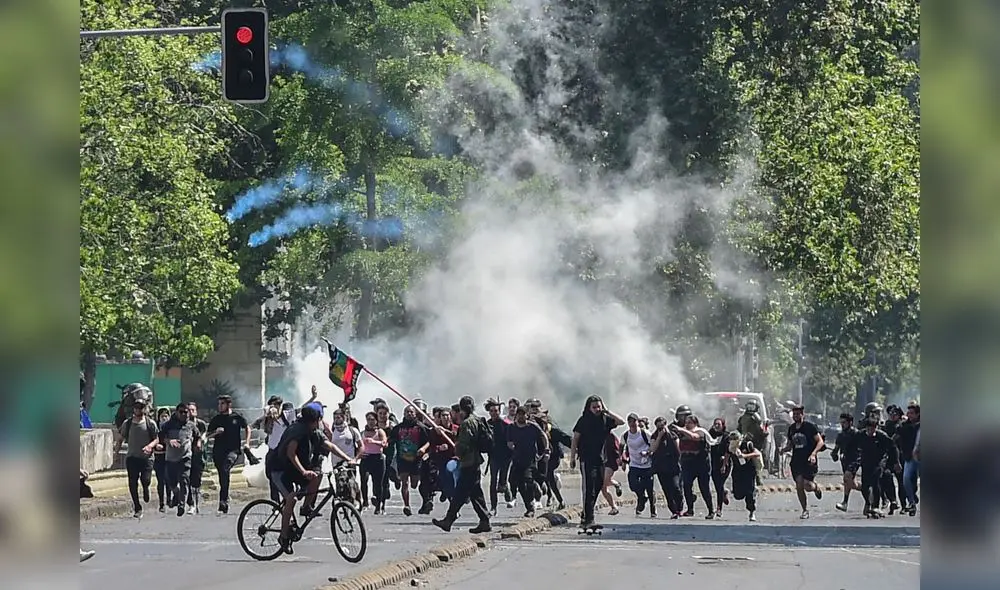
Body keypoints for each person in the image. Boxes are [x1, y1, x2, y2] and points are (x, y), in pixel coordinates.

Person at [267, 404, 356, 555]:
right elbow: (290, 453)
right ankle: (283, 537)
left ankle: (307, 507)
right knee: (292, 499)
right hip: (279, 469)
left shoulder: (314, 430)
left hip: (294, 469)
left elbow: (329, 446)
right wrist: (304, 471)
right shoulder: (297, 430)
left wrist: (349, 459)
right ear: (316, 419)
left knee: (318, 475)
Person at [432, 396, 492, 533]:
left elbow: (464, 444)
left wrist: (457, 449)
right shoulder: (477, 419)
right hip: (474, 461)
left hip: (469, 462)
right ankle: (484, 520)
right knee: (475, 494)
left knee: (460, 493)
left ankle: (449, 520)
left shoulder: (466, 423)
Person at [570, 395, 624, 528]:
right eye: (594, 407)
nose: (597, 409)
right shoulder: (583, 420)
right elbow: (575, 439)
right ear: (589, 408)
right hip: (586, 459)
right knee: (589, 489)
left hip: (600, 459)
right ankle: (589, 519)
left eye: (599, 406)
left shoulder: (605, 420)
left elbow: (621, 422)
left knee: (598, 486)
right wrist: (572, 457)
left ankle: (586, 514)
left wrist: (607, 411)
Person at [114, 390, 158, 519]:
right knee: (132, 483)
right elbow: (120, 439)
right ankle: (137, 507)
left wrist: (150, 446)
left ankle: (146, 488)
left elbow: (156, 439)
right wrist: (116, 453)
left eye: (141, 407)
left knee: (146, 480)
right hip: (132, 457)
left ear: (145, 409)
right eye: (136, 407)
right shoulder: (127, 424)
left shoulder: (150, 423)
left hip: (146, 458)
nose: (138, 409)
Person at [206, 394, 250, 515]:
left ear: (229, 404)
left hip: (233, 450)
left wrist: (246, 443)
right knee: (222, 475)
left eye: (222, 404)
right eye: (219, 404)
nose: (219, 406)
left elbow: (247, 427)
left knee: (226, 467)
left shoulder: (236, 417)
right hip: (218, 451)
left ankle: (223, 500)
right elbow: (207, 435)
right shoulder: (216, 419)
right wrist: (216, 432)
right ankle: (224, 499)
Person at [782, 404, 825, 519]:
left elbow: (820, 442)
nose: (796, 416)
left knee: (807, 485)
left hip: (809, 460)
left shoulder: (810, 427)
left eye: (798, 414)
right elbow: (791, 444)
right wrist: (783, 450)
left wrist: (813, 454)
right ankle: (805, 510)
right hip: (796, 461)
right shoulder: (791, 428)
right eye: (794, 414)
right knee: (799, 484)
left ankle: (816, 488)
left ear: (802, 414)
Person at [158, 403, 197, 517]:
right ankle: (177, 494)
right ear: (176, 412)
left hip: (185, 458)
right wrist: (168, 441)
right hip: (171, 458)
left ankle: (181, 505)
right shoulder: (168, 425)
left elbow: (198, 436)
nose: (184, 414)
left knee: (184, 480)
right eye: (181, 412)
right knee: (172, 483)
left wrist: (198, 444)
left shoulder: (191, 425)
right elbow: (160, 437)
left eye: (186, 412)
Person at [649, 415, 684, 518]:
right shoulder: (654, 436)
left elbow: (678, 449)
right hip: (661, 467)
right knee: (667, 490)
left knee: (676, 487)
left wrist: (669, 435)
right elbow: (652, 449)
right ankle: (673, 511)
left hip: (673, 465)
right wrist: (659, 437)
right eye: (658, 427)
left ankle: (680, 507)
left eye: (662, 426)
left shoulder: (673, 435)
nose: (661, 429)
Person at [622, 412, 656, 517]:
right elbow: (622, 446)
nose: (632, 424)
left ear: (637, 422)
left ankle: (652, 510)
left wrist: (648, 452)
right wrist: (622, 459)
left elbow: (654, 445)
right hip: (634, 464)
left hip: (646, 465)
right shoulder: (626, 435)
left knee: (649, 488)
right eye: (630, 421)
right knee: (633, 484)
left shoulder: (645, 433)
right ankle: (641, 497)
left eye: (634, 421)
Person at [359, 411, 388, 514]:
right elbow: (358, 445)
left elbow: (385, 444)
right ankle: (365, 502)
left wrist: (374, 441)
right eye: (368, 420)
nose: (370, 422)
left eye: (372, 420)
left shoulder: (380, 431)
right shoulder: (362, 432)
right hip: (366, 458)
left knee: (378, 483)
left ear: (376, 421)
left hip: (378, 459)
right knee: (364, 480)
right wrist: (358, 455)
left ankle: (379, 506)